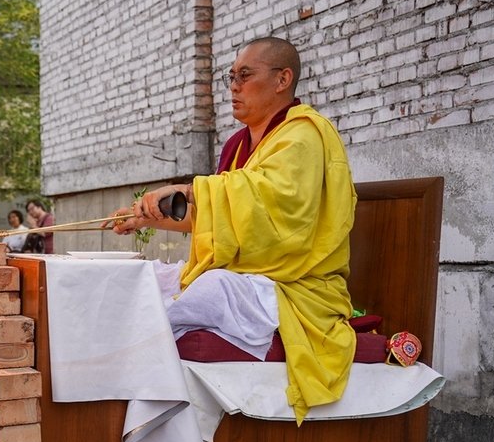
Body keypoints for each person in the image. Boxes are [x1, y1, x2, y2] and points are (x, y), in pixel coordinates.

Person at [107, 36, 356, 422]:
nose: (234, 87)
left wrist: (188, 190)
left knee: (210, 287)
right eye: (230, 77)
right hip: (252, 278)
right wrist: (150, 218)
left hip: (298, 286)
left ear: (282, 79)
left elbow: (279, 216)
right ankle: (131, 364)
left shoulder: (304, 136)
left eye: (245, 75)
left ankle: (129, 358)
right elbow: (230, 223)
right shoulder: (240, 145)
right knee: (152, 277)